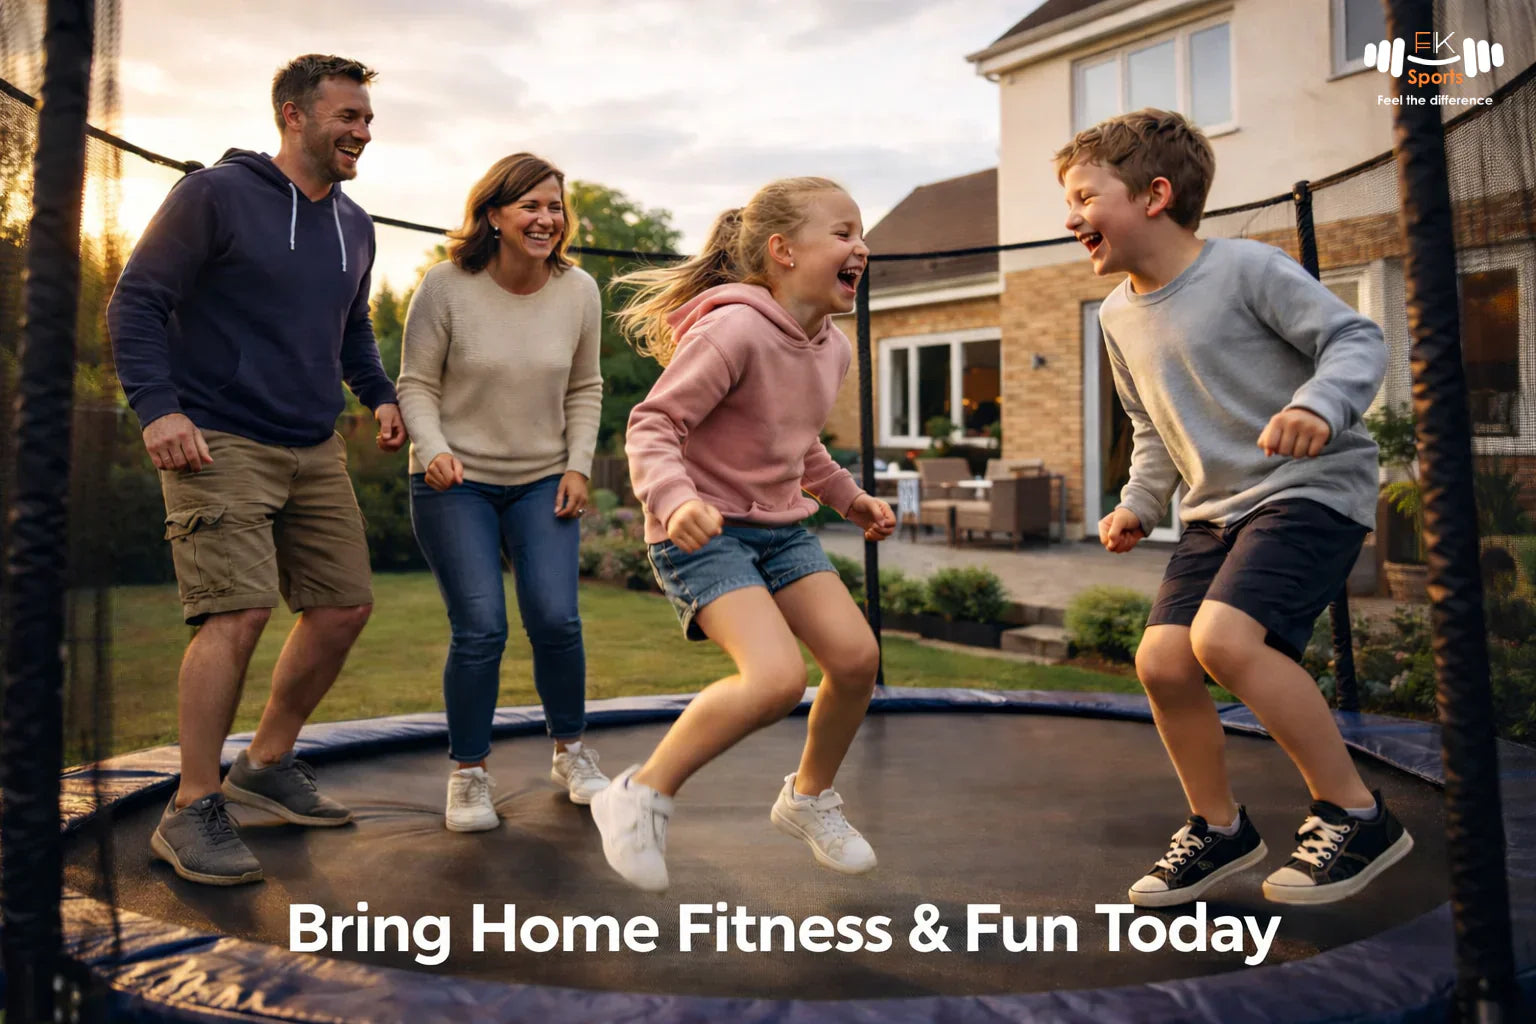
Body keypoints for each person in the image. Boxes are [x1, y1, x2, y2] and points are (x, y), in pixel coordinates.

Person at [1058, 109, 1411, 906]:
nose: (1070, 216)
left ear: (1154, 195)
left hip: (1309, 489)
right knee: (1162, 662)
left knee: (1223, 639)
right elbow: (1151, 426)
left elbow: (1356, 340)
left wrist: (1319, 404)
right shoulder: (1116, 314)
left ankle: (1357, 815)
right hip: (1215, 510)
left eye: (1084, 197)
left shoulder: (1247, 269)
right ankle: (1220, 829)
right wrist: (1139, 502)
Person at [108, 55, 404, 885]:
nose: (362, 132)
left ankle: (266, 763)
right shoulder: (215, 196)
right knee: (235, 613)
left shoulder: (355, 225)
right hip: (216, 435)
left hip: (312, 443)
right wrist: (158, 409)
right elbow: (136, 301)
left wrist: (379, 394)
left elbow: (353, 329)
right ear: (293, 115)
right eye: (347, 116)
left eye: (367, 119)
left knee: (343, 607)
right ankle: (191, 805)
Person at [590, 177, 896, 892]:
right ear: (783, 251)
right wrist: (675, 501)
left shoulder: (831, 347)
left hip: (780, 530)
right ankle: (638, 794)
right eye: (844, 233)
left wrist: (848, 497)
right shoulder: (733, 329)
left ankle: (808, 797)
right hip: (703, 532)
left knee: (856, 660)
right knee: (776, 679)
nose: (861, 247)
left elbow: (797, 442)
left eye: (861, 233)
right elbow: (654, 425)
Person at [396, 154, 606, 830]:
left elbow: (585, 386)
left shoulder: (579, 291)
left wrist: (578, 465)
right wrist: (433, 450)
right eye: (529, 206)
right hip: (455, 481)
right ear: (493, 214)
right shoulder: (445, 286)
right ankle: (469, 774)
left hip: (542, 478)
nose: (546, 219)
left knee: (556, 618)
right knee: (481, 626)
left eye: (554, 207)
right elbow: (416, 384)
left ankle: (571, 752)